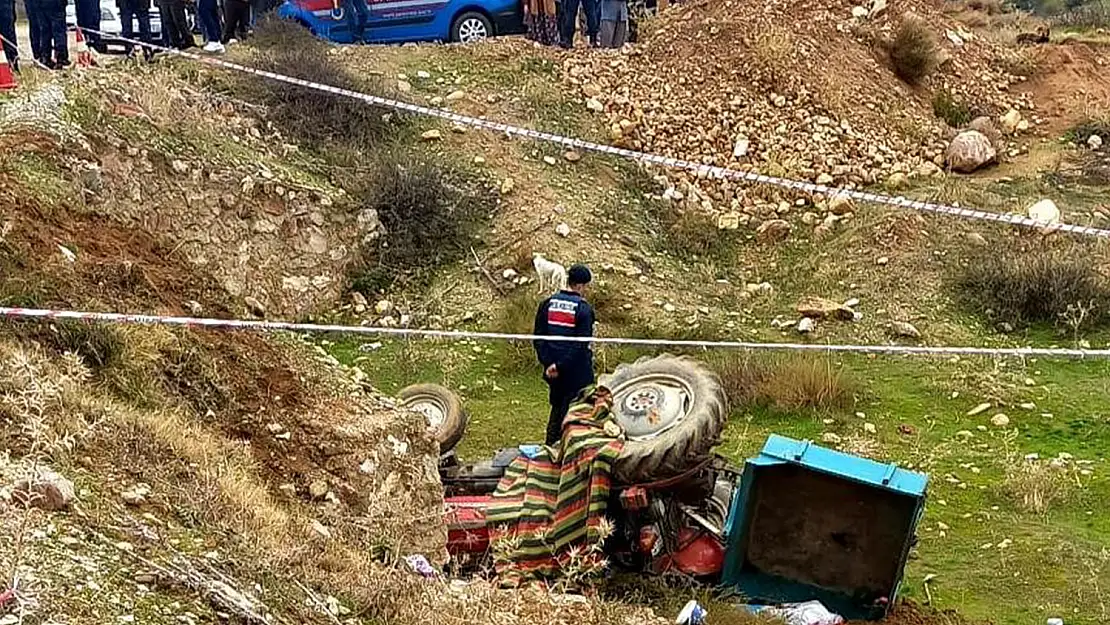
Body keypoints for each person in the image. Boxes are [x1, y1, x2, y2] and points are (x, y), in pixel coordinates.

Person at [533, 264, 595, 446]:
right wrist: (561, 365)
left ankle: (550, 447)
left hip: (554, 373)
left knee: (557, 410)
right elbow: (581, 345)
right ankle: (571, 452)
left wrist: (550, 364)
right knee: (579, 414)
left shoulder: (547, 304)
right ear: (581, 286)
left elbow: (538, 338)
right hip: (576, 373)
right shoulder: (583, 309)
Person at [30, 0, 68, 68]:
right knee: (59, 29)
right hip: (55, 4)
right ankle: (61, 57)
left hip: (40, 4)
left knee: (45, 30)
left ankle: (45, 57)